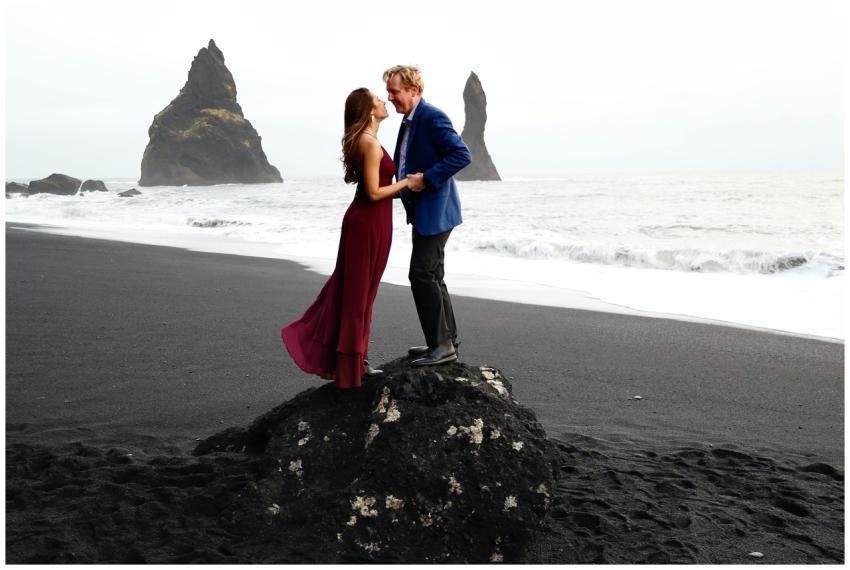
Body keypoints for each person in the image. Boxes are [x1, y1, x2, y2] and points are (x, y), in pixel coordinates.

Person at [281, 88, 419, 389]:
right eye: (378, 100)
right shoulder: (368, 144)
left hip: (376, 222)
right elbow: (372, 193)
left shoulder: (370, 141)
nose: (384, 102)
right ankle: (350, 367)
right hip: (366, 223)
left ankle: (358, 360)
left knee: (364, 292)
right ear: (369, 111)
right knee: (356, 295)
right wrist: (407, 183)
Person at [384, 65, 472, 367]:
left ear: (414, 90)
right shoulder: (410, 121)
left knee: (421, 274)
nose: (390, 97)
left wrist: (427, 179)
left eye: (395, 91)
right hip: (424, 211)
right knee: (433, 274)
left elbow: (462, 155)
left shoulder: (431, 117)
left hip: (437, 210)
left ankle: (443, 345)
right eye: (389, 92)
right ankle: (445, 342)